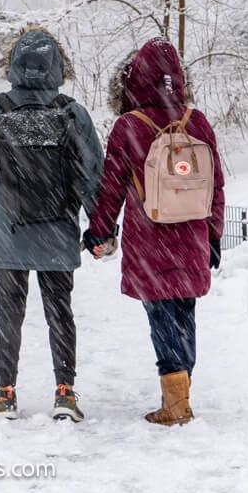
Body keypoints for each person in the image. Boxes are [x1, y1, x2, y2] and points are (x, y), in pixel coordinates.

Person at [0, 27, 104, 421]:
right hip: (57, 230)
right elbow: (91, 175)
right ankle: (65, 393)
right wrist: (101, 228)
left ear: (14, 66)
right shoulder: (71, 113)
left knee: (9, 312)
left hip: (7, 230)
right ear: (58, 67)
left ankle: (6, 393)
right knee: (60, 311)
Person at [83, 38, 225, 426]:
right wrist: (214, 234)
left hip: (150, 239)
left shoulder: (129, 126)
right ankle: (183, 388)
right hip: (192, 236)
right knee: (185, 311)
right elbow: (216, 184)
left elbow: (111, 186)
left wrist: (98, 230)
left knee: (160, 315)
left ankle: (176, 404)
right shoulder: (197, 122)